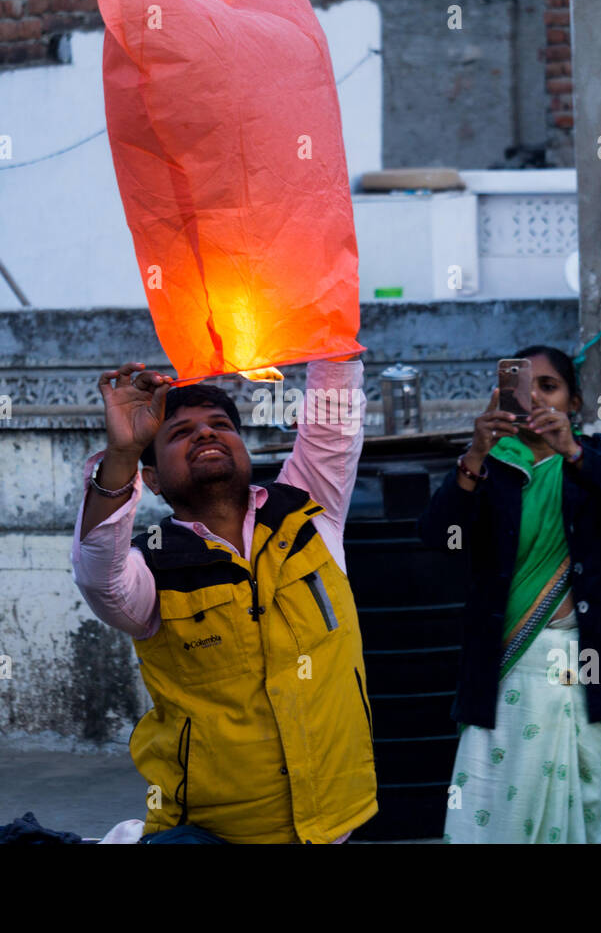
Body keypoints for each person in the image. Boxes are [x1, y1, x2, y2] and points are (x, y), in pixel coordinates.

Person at [70, 358, 376, 844]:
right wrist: (123, 452)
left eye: (220, 425)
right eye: (181, 433)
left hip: (335, 818)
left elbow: (332, 421)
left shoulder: (309, 513)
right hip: (216, 833)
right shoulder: (151, 565)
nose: (206, 435)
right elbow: (98, 578)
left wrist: (329, 327)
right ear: (150, 478)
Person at [417, 345, 601, 843]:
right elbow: (439, 538)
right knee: (506, 805)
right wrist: (475, 454)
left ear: (573, 402)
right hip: (513, 658)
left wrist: (574, 452)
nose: (534, 397)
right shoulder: (489, 468)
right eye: (522, 386)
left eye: (548, 386)